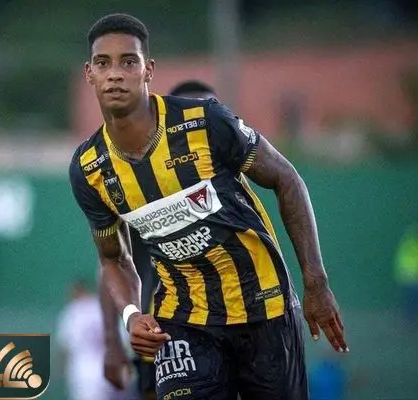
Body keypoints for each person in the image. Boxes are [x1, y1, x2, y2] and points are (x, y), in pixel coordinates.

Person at [70, 13, 348, 399]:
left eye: (128, 62)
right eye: (103, 63)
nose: (115, 74)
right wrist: (131, 316)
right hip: (184, 319)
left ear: (148, 70)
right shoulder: (89, 168)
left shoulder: (205, 122)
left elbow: (287, 179)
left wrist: (315, 281)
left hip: (264, 308)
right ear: (90, 74)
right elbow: (113, 259)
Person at [100, 80, 218, 400]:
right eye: (193, 113)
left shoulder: (229, 181)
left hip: (230, 325)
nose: (203, 122)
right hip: (162, 335)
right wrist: (112, 341)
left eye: (212, 111)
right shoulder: (141, 190)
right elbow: (112, 263)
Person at [56, 279, 136, 400]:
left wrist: (60, 370)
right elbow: (124, 341)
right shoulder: (104, 307)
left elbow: (65, 346)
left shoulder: (73, 311)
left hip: (83, 372)